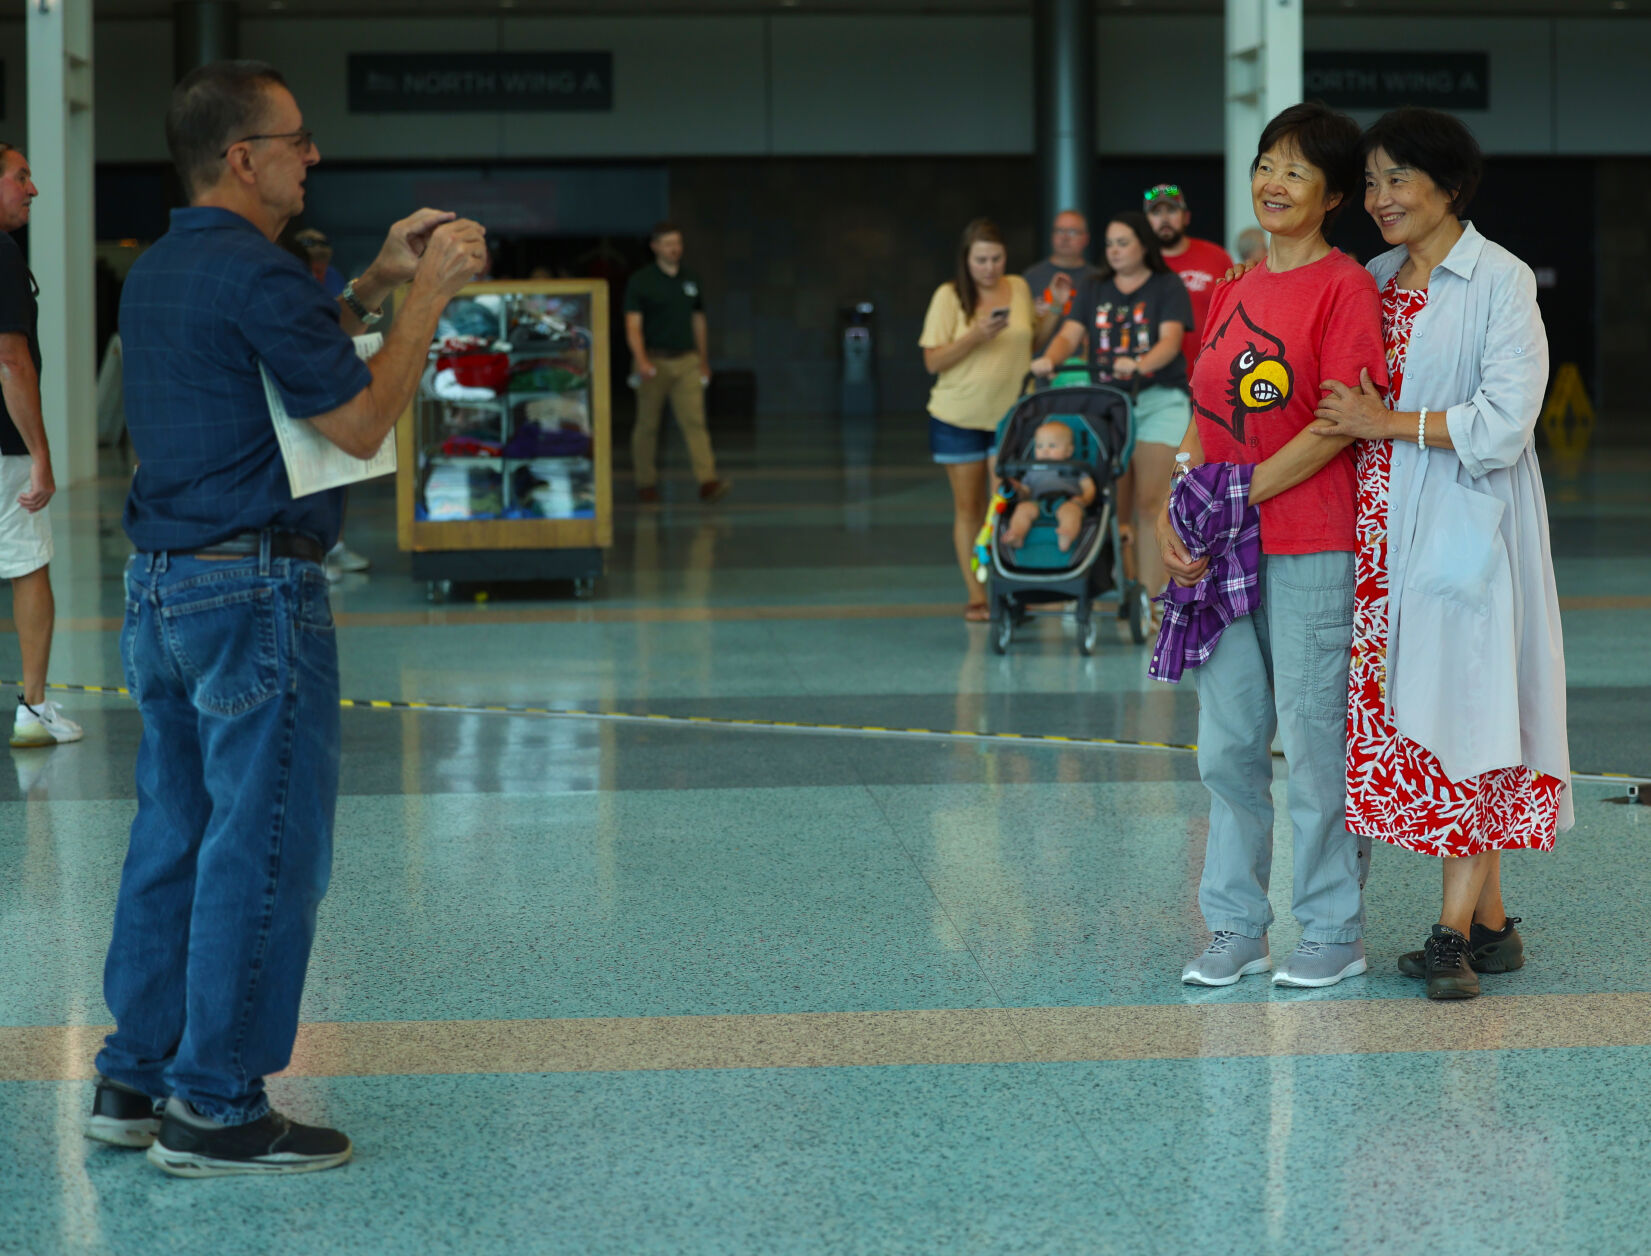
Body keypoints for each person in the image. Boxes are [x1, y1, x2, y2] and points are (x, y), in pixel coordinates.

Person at [86, 59, 485, 1176]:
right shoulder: (258, 275)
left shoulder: (160, 270)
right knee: (264, 850)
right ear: (243, 157)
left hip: (162, 586)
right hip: (255, 592)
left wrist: (363, 283)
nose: (314, 156)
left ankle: (136, 1072)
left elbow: (281, 348)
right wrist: (424, 299)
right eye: (297, 139)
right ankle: (216, 1105)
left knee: (173, 832)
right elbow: (356, 422)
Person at [1312, 107, 1571, 1000]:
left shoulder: (1498, 281)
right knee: (1424, 722)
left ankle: (1451, 937)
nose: (1380, 198)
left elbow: (1505, 424)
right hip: (1380, 532)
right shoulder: (1373, 278)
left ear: (1448, 186)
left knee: (1471, 715)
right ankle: (1495, 927)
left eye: (1398, 179)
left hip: (1468, 525)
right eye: (1372, 182)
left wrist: (1387, 423)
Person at [1161, 101, 1388, 989]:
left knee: (1313, 741)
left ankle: (1332, 928)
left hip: (1307, 543)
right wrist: (1177, 502)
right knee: (1226, 744)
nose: (1272, 182)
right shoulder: (1232, 286)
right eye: (1264, 163)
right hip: (1222, 554)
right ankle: (1234, 926)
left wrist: (1231, 497)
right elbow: (1203, 412)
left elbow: (1337, 421)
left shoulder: (1343, 287)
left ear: (1332, 194)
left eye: (1295, 170)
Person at [1032, 212, 1194, 627]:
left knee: (1151, 502)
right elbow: (1069, 334)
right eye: (1109, 244)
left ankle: (1155, 600)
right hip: (1108, 402)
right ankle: (1122, 588)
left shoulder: (1166, 285)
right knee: (1107, 502)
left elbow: (1170, 342)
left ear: (1143, 245)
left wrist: (1139, 365)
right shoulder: (1093, 287)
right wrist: (1048, 359)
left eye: (1123, 242)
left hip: (1158, 398)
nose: (1114, 251)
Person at [0, 142, 83, 749]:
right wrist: (42, 456)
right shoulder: (2, 254)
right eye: (20, 177)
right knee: (29, 563)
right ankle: (33, 705)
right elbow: (11, 359)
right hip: (5, 446)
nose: (32, 189)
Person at [919, 218, 1034, 621]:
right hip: (959, 416)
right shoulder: (949, 297)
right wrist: (974, 336)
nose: (989, 267)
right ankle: (977, 593)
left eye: (996, 258)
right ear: (966, 261)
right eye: (980, 259)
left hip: (1012, 418)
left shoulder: (1018, 287)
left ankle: (1012, 586)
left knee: (1009, 502)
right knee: (970, 507)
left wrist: (1051, 310)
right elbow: (932, 360)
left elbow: (1032, 340)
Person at [624, 222, 729, 504]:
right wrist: (641, 360)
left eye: (678, 243)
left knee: (695, 421)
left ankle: (707, 480)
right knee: (647, 425)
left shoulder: (690, 279)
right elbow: (633, 325)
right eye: (669, 244)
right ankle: (645, 482)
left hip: (686, 361)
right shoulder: (641, 281)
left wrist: (703, 360)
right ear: (655, 246)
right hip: (653, 361)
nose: (675, 249)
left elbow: (699, 320)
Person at [292, 227, 371, 580]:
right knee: (307, 468)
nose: (320, 260)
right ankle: (314, 548)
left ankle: (335, 543)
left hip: (336, 376)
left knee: (340, 467)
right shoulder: (287, 275)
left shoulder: (336, 278)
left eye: (324, 248)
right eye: (312, 250)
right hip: (304, 384)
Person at [1143, 183, 1233, 375]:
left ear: (1186, 217)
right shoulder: (1138, 264)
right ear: (1145, 222)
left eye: (1172, 210)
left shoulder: (1216, 256)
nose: (1165, 219)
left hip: (1211, 374)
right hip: (1152, 382)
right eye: (1156, 213)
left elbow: (1235, 314)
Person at [999, 421, 1095, 553]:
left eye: (1052, 445)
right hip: (1038, 502)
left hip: (1066, 500)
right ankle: (1017, 534)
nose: (1045, 450)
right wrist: (1019, 489)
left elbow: (1089, 487)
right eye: (1039, 446)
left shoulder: (1075, 468)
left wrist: (1084, 499)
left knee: (1071, 512)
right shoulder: (1032, 470)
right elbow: (1026, 493)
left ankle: (1067, 535)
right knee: (1022, 509)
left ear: (1068, 451)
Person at [1023, 209, 1093, 356]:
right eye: (1059, 231)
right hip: (1040, 365)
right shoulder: (1031, 277)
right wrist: (1032, 314)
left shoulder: (1097, 279)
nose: (1065, 237)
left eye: (1072, 232)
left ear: (1086, 238)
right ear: (1051, 236)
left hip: (1085, 367)